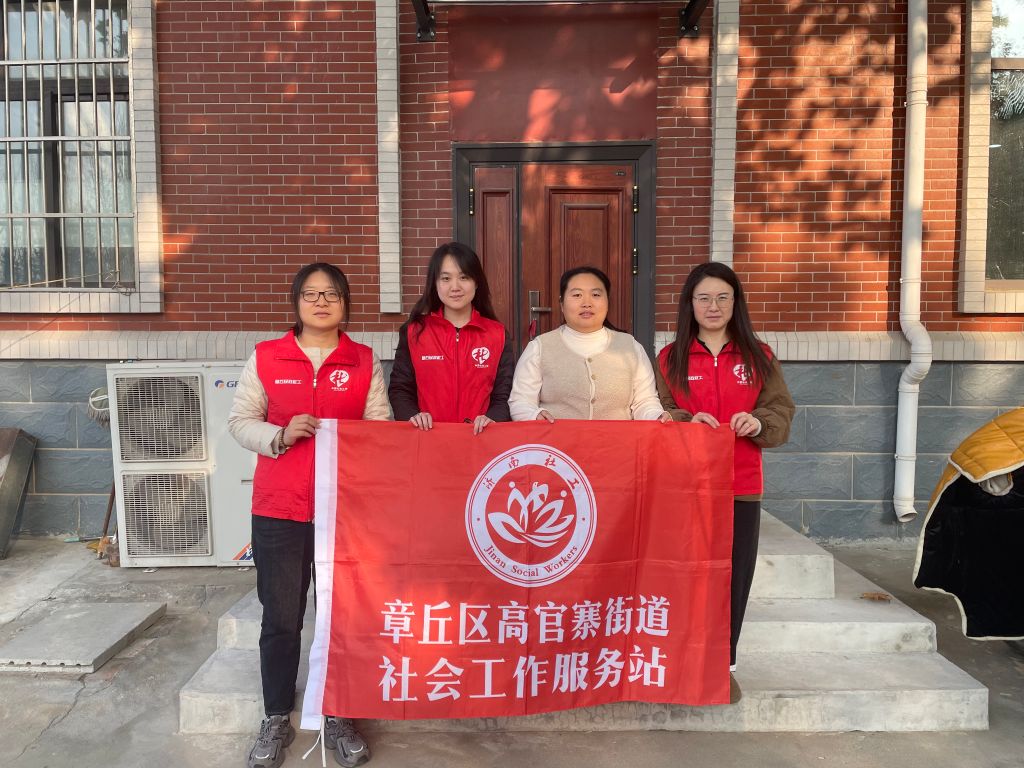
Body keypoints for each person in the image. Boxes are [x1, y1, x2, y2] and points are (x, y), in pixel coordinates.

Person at [228, 263, 389, 768]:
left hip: (345, 510)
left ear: (345, 304)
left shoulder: (363, 360)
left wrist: (356, 440)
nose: (321, 302)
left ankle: (339, 713)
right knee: (281, 617)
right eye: (311, 294)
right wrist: (279, 434)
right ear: (296, 302)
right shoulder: (266, 356)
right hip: (279, 508)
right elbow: (240, 421)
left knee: (342, 616)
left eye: (332, 294)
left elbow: (380, 426)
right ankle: (276, 716)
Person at [655, 261, 794, 696]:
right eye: (703, 298)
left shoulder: (759, 356)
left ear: (736, 303)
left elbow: (780, 411)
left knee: (734, 577)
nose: (712, 306)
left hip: (741, 485)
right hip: (685, 486)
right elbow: (657, 412)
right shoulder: (670, 358)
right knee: (683, 575)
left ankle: (722, 664)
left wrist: (758, 422)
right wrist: (684, 419)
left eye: (722, 297)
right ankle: (680, 661)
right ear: (689, 304)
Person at [508, 265, 671, 424]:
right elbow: (521, 401)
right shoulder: (540, 347)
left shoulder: (630, 347)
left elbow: (645, 401)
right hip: (557, 441)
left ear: (607, 301)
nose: (587, 303)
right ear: (561, 304)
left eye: (596, 294)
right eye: (577, 295)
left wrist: (655, 415)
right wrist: (533, 415)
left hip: (617, 441)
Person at [388, 242, 514, 433]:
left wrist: (493, 418)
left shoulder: (497, 334)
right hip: (428, 439)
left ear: (476, 282)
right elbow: (400, 389)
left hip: (481, 440)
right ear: (435, 283)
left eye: (464, 277)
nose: (455, 287)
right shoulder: (414, 332)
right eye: (446, 278)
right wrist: (412, 416)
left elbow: (505, 394)